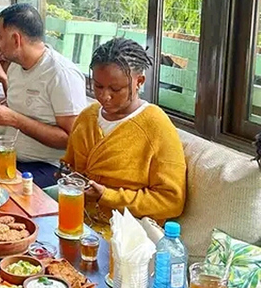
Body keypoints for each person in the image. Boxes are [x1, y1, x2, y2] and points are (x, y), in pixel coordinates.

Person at [62, 38, 186, 236]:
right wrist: (69, 179)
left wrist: (107, 195)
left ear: (139, 82)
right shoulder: (87, 117)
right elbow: (71, 167)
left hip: (126, 237)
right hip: (77, 219)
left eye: (115, 89)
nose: (104, 96)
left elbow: (171, 202)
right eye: (98, 86)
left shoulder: (156, 126)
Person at [0, 3, 87, 188]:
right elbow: (17, 108)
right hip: (10, 158)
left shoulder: (61, 74)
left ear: (16, 39)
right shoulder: (14, 67)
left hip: (49, 169)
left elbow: (71, 140)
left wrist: (15, 119)